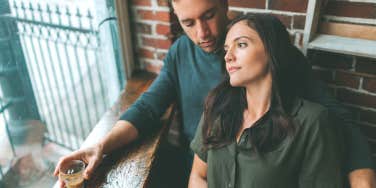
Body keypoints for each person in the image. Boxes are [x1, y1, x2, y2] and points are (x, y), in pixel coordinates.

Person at [54, 0, 376, 187]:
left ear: (224, 3)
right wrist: (99, 147)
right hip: (204, 167)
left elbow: (337, 120)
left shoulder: (274, 56)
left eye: (208, 15)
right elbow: (150, 107)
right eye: (189, 23)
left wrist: (362, 180)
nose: (202, 33)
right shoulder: (182, 52)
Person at [189, 13, 343, 188]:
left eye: (241, 44)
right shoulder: (216, 107)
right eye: (226, 49)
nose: (228, 56)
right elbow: (198, 176)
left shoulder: (312, 122)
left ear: (271, 50)